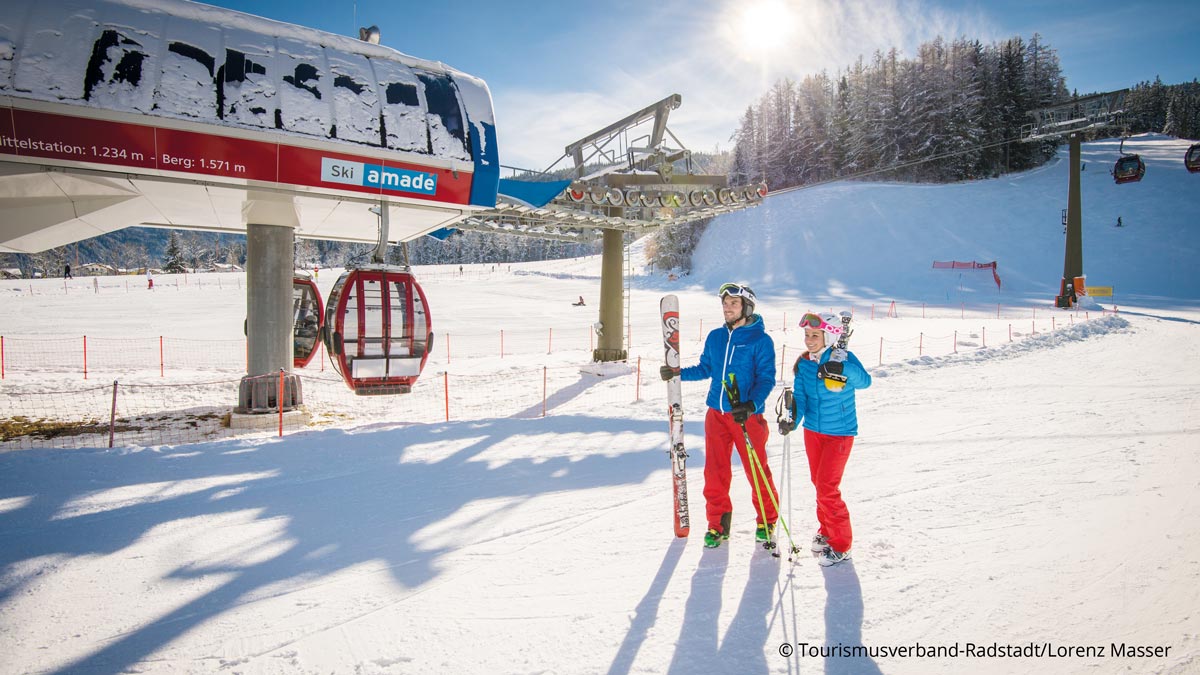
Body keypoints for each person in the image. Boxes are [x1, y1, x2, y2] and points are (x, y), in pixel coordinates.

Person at [660, 283, 777, 548]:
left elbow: (767, 379)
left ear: (746, 307)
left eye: (733, 304)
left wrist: (751, 404)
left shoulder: (760, 340)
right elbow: (705, 369)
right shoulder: (715, 337)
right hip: (716, 414)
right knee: (714, 472)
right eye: (725, 304)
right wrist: (677, 372)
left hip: (746, 417)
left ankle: (767, 520)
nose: (727, 308)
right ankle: (717, 525)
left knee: (756, 470)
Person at [782, 312, 872, 566]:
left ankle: (842, 545)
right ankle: (826, 530)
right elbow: (801, 397)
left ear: (829, 335)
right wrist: (792, 420)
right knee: (818, 483)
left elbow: (865, 382)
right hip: (813, 431)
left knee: (827, 487)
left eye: (814, 335)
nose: (809, 340)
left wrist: (843, 369)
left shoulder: (843, 358)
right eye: (807, 335)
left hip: (840, 432)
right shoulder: (805, 364)